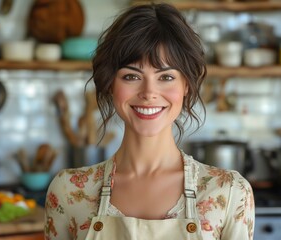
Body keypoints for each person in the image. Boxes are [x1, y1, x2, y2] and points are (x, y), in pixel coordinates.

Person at [44, 3, 255, 240]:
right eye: (131, 76)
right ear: (110, 84)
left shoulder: (228, 193)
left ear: (186, 85)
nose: (148, 92)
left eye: (166, 76)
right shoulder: (69, 190)